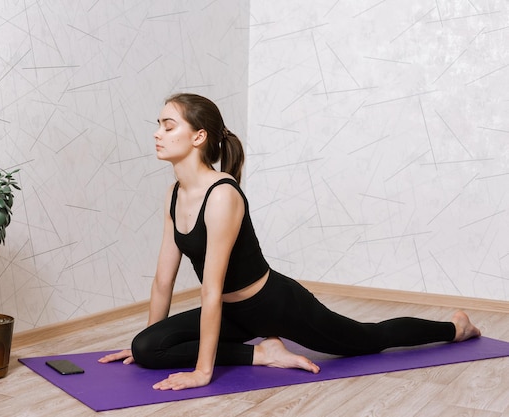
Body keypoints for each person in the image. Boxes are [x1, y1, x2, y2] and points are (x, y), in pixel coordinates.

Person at [98, 93, 481, 391]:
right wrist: (144, 341)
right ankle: (263, 353)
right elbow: (162, 281)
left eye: (167, 126)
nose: (157, 133)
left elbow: (211, 290)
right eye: (158, 125)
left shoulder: (222, 196)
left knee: (366, 338)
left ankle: (454, 328)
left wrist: (202, 372)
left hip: (274, 304)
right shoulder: (173, 193)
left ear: (198, 136)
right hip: (231, 315)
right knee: (147, 349)